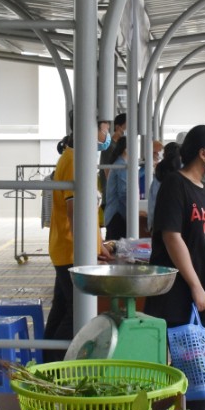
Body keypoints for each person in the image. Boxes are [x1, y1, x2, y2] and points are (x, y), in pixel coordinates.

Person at [145, 126, 205, 410]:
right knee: (174, 369)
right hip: (177, 295)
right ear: (203, 154)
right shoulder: (175, 186)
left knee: (198, 368)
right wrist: (194, 285)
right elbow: (172, 237)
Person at [45, 114, 112, 362]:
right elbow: (75, 214)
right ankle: (55, 367)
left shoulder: (77, 159)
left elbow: (86, 214)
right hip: (72, 251)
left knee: (62, 311)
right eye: (105, 128)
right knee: (76, 315)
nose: (106, 135)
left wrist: (98, 244)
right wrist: (89, 250)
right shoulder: (74, 162)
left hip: (69, 249)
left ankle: (46, 364)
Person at [103, 138, 129, 241]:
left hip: (113, 214)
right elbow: (123, 192)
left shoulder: (118, 163)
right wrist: (135, 209)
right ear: (126, 149)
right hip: (117, 214)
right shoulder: (121, 165)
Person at [149, 141, 180, 219]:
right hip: (175, 221)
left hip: (159, 219)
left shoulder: (159, 171)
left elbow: (153, 200)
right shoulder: (181, 172)